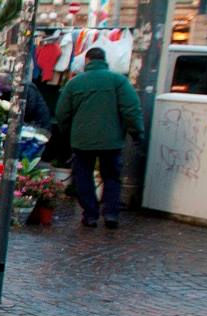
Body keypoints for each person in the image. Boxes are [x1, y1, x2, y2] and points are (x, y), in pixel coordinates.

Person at [52, 45, 143, 229]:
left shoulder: (75, 83)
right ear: (104, 60)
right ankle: (110, 214)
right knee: (111, 177)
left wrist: (70, 133)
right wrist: (136, 132)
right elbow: (131, 109)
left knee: (83, 176)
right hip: (112, 140)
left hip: (82, 140)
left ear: (87, 61)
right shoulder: (118, 81)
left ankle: (90, 214)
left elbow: (62, 113)